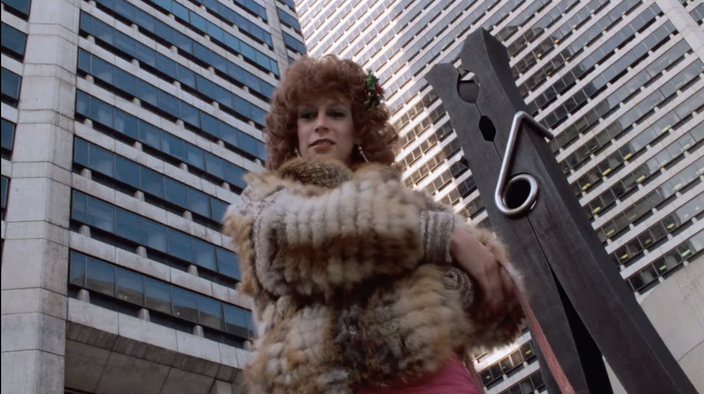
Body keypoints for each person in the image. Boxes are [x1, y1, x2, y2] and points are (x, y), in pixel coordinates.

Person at [223, 54, 525, 394]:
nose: (320, 124)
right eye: (308, 115)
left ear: (358, 129)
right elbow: (305, 237)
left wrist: (441, 273)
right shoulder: (265, 199)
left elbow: (495, 287)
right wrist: (440, 243)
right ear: (294, 131)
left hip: (437, 376)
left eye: (335, 113)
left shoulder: (406, 201)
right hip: (329, 383)